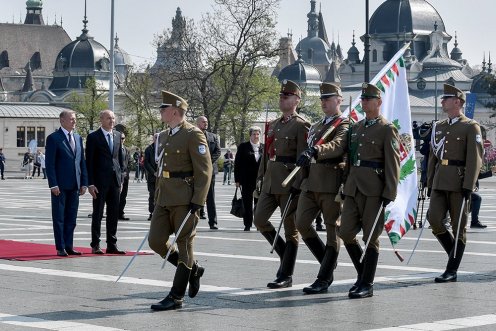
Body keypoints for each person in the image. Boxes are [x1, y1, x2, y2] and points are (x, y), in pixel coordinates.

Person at [148, 90, 212, 311]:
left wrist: (198, 201)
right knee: (156, 241)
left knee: (184, 245)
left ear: (174, 111)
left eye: (163, 108)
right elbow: (160, 170)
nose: (160, 112)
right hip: (164, 197)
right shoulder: (165, 136)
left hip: (185, 199)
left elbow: (205, 170)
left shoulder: (193, 134)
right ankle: (193, 270)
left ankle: (176, 297)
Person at [339, 83, 400, 299]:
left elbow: (393, 163)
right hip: (353, 187)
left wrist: (389, 193)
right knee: (345, 232)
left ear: (379, 102)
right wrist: (345, 183)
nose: (364, 102)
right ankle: (362, 274)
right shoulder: (356, 127)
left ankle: (367, 283)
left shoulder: (387, 129)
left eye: (368, 99)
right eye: (362, 99)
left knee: (370, 237)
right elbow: (350, 160)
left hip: (374, 189)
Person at [253, 79, 310, 289]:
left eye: (286, 96)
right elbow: (267, 156)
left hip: (289, 183)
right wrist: (260, 178)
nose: (282, 99)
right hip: (270, 181)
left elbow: (302, 160)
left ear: (296, 100)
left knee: (290, 230)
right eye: (281, 95)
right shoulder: (273, 125)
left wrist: (298, 184)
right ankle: (285, 255)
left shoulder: (301, 125)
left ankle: (286, 274)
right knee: (259, 219)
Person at [294, 82, 349, 294]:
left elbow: (337, 146)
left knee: (332, 231)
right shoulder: (316, 126)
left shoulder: (344, 124)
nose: (324, 102)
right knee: (302, 223)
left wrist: (316, 150)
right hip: (311, 182)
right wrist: (302, 180)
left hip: (331, 182)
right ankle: (328, 262)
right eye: (322, 99)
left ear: (339, 100)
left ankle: (324, 277)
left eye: (328, 98)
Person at [426, 84, 483, 283]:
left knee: (459, 227)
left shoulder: (470, 126)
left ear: (457, 102)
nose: (442, 101)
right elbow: (433, 156)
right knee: (434, 220)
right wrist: (429, 181)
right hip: (440, 180)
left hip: (459, 181)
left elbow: (475, 158)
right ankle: (454, 256)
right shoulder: (439, 126)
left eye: (446, 99)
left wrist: (469, 184)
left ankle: (451, 269)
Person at [45, 110, 88, 256]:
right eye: (71, 119)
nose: (74, 122)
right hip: (60, 186)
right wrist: (53, 184)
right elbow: (49, 163)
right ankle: (60, 247)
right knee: (59, 217)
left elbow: (81, 161)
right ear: (62, 120)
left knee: (71, 217)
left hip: (75, 185)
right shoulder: (54, 138)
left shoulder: (77, 137)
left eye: (75, 119)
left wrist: (84, 183)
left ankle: (69, 245)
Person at [86, 110, 126, 255]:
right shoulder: (93, 137)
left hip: (114, 181)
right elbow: (89, 162)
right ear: (101, 119)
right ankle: (95, 244)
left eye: (113, 118)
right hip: (99, 182)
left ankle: (112, 244)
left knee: (113, 213)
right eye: (109, 118)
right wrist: (90, 183)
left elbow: (120, 159)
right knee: (98, 213)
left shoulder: (117, 135)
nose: (112, 121)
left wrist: (121, 179)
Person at [234, 126, 264, 231]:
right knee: (247, 202)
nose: (256, 136)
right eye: (254, 134)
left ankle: (258, 224)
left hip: (260, 181)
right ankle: (247, 224)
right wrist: (237, 180)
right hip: (246, 180)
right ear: (250, 135)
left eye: (258, 134)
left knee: (259, 203)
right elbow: (237, 163)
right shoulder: (243, 147)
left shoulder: (264, 147)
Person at [196, 116, 221, 229]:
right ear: (198, 123)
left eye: (206, 122)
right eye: (203, 122)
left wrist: (208, 162)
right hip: (197, 170)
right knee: (196, 196)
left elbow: (218, 151)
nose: (206, 123)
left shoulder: (213, 136)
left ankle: (213, 222)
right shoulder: (193, 136)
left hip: (210, 170)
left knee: (211, 197)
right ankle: (193, 221)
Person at [144, 134, 158, 221]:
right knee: (152, 195)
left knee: (161, 196)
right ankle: (152, 212)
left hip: (162, 177)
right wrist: (154, 172)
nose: (157, 139)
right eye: (156, 137)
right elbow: (146, 163)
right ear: (153, 139)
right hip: (152, 177)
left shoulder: (163, 148)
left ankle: (160, 213)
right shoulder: (149, 149)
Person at [118, 131, 131, 221]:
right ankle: (114, 212)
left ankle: (121, 212)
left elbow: (129, 162)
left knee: (123, 196)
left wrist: (126, 172)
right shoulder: (115, 149)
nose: (122, 140)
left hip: (125, 176)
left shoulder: (126, 150)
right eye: (120, 138)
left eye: (123, 138)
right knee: (116, 196)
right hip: (118, 176)